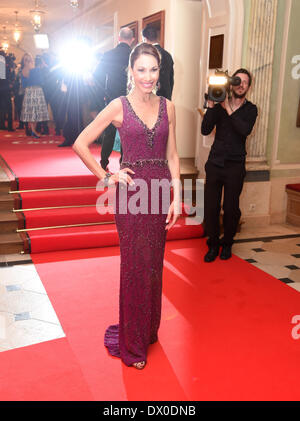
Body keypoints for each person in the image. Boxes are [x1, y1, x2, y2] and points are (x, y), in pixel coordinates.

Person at [73, 42, 181, 369]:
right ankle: (133, 346)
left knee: (153, 267)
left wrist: (177, 191)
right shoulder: (118, 106)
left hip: (160, 191)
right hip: (132, 195)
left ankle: (146, 330)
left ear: (160, 72)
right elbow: (81, 143)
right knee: (135, 268)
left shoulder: (169, 106)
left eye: (153, 69)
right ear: (130, 71)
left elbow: (172, 154)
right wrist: (107, 175)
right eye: (141, 69)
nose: (147, 76)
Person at [201, 68, 258, 262]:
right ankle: (213, 244)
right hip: (215, 163)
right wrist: (210, 105)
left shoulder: (251, 109)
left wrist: (227, 108)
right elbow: (205, 129)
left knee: (231, 208)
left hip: (235, 166)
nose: (241, 84)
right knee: (211, 207)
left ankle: (227, 244)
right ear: (231, 84)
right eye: (237, 81)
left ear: (249, 87)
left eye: (245, 82)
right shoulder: (219, 103)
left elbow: (244, 130)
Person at [93, 27, 134, 169]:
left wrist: (104, 92)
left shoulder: (109, 54)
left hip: (111, 98)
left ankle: (104, 162)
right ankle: (124, 163)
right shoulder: (134, 55)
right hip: (130, 99)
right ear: (132, 39)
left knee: (109, 132)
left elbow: (96, 75)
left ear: (118, 38)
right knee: (127, 134)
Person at [20, 53, 49, 138]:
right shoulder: (31, 69)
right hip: (33, 91)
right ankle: (33, 131)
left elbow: (39, 81)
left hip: (34, 91)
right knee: (33, 112)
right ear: (24, 61)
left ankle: (33, 130)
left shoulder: (29, 69)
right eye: (26, 59)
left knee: (35, 113)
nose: (28, 61)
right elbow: (39, 81)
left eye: (29, 59)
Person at [142, 24, 174, 100]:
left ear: (145, 39)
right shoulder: (168, 55)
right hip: (166, 97)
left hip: (152, 99)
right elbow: (171, 80)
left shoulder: (147, 55)